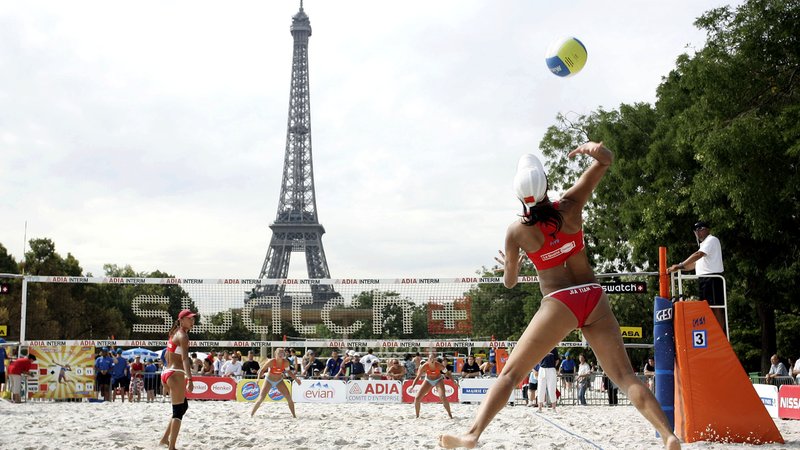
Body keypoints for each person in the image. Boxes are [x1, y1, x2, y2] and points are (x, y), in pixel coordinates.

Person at [440, 145, 679, 450]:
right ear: (546, 184)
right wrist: (593, 148)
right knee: (624, 376)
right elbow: (606, 160)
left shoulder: (516, 231)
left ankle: (472, 435)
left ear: (518, 196)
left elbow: (510, 283)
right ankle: (669, 436)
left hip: (560, 301)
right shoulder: (570, 206)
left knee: (511, 374)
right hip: (593, 297)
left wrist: (511, 265)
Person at [667, 221, 726, 333]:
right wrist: (677, 268)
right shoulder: (703, 246)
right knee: (707, 307)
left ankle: (720, 334)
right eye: (696, 230)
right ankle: (713, 332)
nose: (698, 232)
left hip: (712, 278)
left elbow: (697, 255)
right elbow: (694, 265)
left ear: (708, 229)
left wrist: (680, 265)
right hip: (704, 279)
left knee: (716, 307)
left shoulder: (711, 240)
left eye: (701, 229)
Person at [159, 309, 197, 450]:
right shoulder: (183, 336)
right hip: (176, 373)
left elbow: (169, 356)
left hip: (167, 372)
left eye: (193, 319)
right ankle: (172, 447)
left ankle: (164, 439)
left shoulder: (174, 333)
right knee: (177, 411)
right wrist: (190, 378)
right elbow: (185, 359)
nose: (192, 321)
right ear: (181, 320)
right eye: (189, 319)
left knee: (183, 407)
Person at [250, 347, 301, 418]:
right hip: (269, 380)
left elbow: (288, 372)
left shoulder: (285, 362)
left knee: (289, 397)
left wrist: (296, 379)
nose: (281, 354)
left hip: (279, 380)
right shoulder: (271, 361)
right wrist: (258, 379)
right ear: (275, 354)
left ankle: (294, 416)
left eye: (282, 353)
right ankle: (251, 414)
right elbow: (262, 370)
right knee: (261, 397)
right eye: (279, 353)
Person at [412, 351, 453, 419]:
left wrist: (453, 381)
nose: (432, 360)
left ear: (435, 359)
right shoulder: (424, 366)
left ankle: (450, 415)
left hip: (438, 380)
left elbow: (447, 373)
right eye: (430, 359)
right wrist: (413, 386)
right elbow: (417, 377)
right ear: (428, 360)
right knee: (417, 398)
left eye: (433, 359)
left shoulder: (439, 365)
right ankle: (417, 416)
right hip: (428, 380)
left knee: (442, 397)